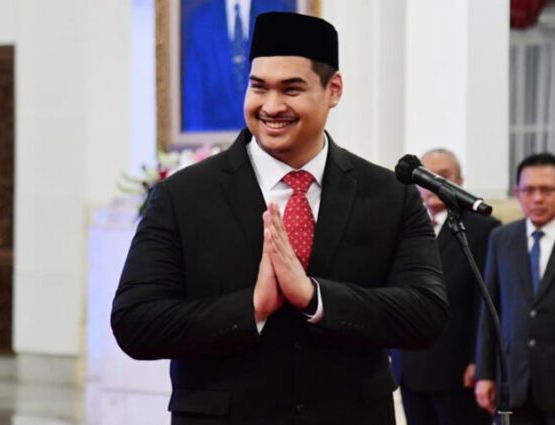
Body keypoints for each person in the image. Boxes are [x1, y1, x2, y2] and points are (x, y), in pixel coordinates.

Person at [112, 12, 448, 425]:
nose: (271, 107)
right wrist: (251, 307)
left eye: (291, 89)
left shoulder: (389, 194)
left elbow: (426, 313)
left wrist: (315, 297)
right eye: (259, 87)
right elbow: (135, 323)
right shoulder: (183, 195)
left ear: (333, 90)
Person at [391, 149, 499, 425]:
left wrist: (480, 361)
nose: (433, 183)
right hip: (409, 366)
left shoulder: (483, 229)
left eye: (443, 176)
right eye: (426, 176)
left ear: (459, 182)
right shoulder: (402, 224)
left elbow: (486, 301)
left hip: (459, 369)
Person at [475, 153, 555, 425]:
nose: (537, 198)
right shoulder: (502, 238)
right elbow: (490, 309)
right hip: (514, 379)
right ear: (517, 193)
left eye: (547, 190)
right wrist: (485, 374)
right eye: (529, 190)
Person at [181, 0, 295, 131]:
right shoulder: (201, 18)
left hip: (270, 133)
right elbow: (194, 99)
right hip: (215, 135)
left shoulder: (278, 11)